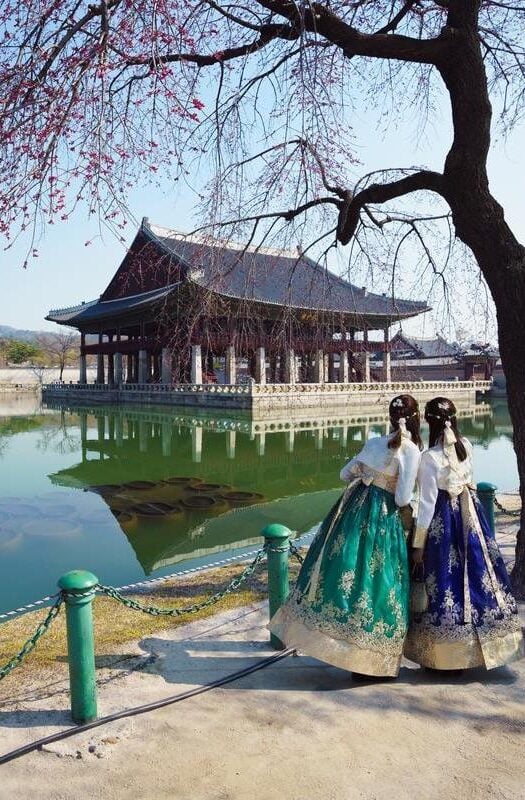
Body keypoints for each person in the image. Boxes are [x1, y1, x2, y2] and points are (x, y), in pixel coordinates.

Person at [269, 394, 422, 678]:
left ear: (390, 417)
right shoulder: (411, 450)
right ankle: (371, 659)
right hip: (382, 519)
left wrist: (367, 475)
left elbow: (344, 474)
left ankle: (336, 645)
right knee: (380, 578)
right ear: (416, 418)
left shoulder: (374, 442)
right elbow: (402, 498)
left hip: (352, 510)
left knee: (345, 570)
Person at [404, 397, 524, 671]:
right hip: (471, 515)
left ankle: (444, 656)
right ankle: (488, 646)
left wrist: (419, 543)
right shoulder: (466, 446)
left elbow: (426, 504)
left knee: (444, 579)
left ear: (428, 423)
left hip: (443, 522)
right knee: (481, 574)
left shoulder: (429, 458)